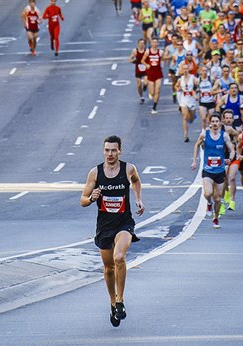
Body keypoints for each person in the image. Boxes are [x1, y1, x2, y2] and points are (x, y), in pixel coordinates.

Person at [80, 135, 145, 327]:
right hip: (104, 226)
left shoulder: (128, 169)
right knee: (108, 268)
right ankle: (112, 302)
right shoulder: (95, 173)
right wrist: (92, 198)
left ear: (120, 151)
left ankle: (120, 300)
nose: (110, 154)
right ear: (103, 151)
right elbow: (82, 200)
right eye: (107, 150)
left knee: (119, 258)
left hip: (124, 224)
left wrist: (139, 199)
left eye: (113, 150)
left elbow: (136, 181)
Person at [192, 113, 233, 229]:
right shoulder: (204, 135)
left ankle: (215, 218)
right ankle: (208, 203)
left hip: (220, 171)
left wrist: (230, 158)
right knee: (208, 193)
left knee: (218, 198)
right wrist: (194, 161)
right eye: (213, 121)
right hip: (208, 170)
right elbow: (196, 145)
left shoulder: (224, 136)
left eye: (217, 121)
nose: (215, 124)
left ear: (220, 123)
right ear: (210, 123)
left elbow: (231, 149)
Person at [175, 62, 198, 143]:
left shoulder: (193, 78)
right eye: (183, 68)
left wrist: (195, 92)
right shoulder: (180, 79)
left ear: (189, 69)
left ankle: (192, 116)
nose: (185, 70)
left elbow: (198, 86)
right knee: (184, 117)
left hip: (191, 100)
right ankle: (185, 135)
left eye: (186, 68)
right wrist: (178, 89)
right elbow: (176, 86)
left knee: (190, 120)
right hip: (184, 99)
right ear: (182, 70)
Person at [141, 38, 164, 114]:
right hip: (150, 73)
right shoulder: (148, 52)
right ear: (151, 44)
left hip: (158, 73)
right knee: (152, 93)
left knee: (157, 90)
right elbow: (142, 60)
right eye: (153, 42)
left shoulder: (160, 52)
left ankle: (154, 108)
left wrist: (164, 62)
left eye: (156, 42)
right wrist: (146, 64)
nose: (154, 44)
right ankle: (146, 87)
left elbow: (163, 59)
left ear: (157, 43)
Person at [129, 39, 148, 104]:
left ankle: (145, 86)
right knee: (139, 85)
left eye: (143, 43)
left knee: (145, 82)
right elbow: (130, 59)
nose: (141, 45)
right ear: (138, 44)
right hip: (138, 68)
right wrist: (134, 61)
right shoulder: (135, 51)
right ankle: (141, 97)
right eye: (140, 43)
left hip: (145, 68)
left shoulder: (146, 51)